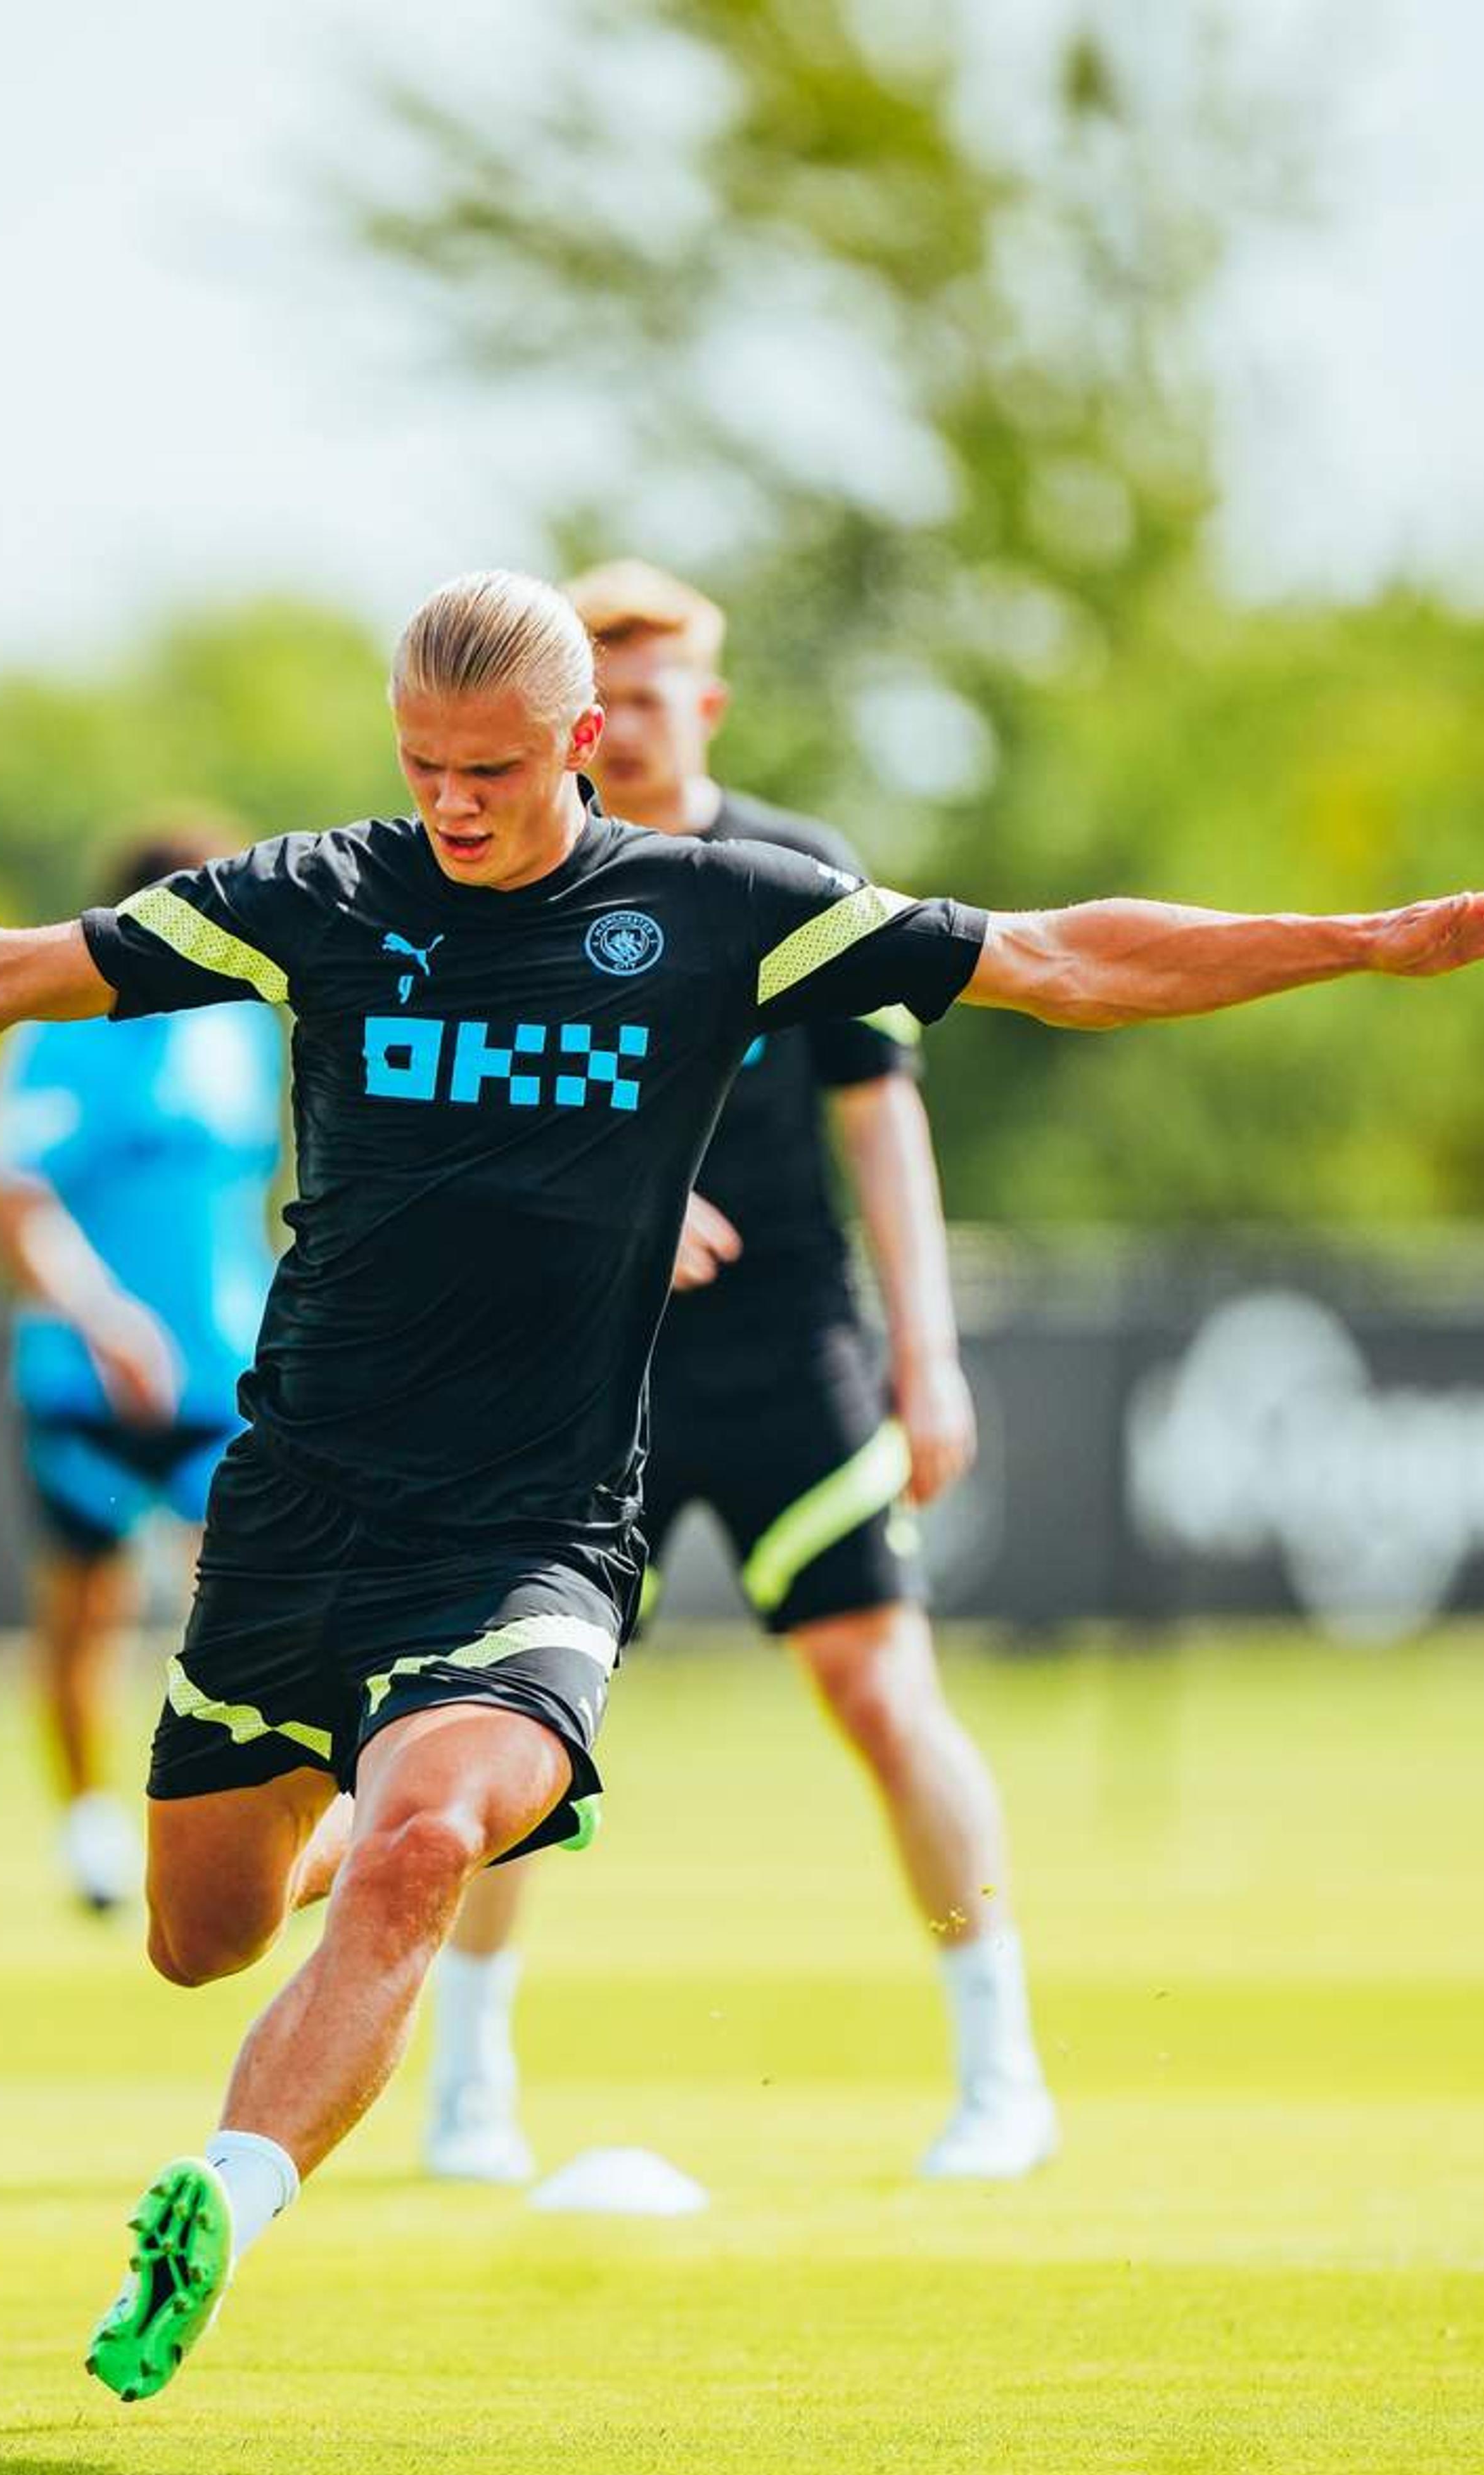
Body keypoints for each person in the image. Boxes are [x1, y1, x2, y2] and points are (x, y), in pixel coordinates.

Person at [0, 568, 1484, 2405]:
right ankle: (298, 1954)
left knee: (429, 1832)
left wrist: (1359, 940)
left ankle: (222, 2198)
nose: (454, 806)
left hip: (538, 1524)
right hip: (297, 1505)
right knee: (205, 1931)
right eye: (424, 763)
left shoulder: (732, 908)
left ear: (587, 744)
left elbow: (1063, 957)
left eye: (496, 767)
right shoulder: (319, 897)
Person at [423, 560, 1046, 2186]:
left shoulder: (796, 870)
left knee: (881, 1694)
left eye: (648, 697)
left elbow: (877, 1107)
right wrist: (608, 1192)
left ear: (701, 704)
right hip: (581, 1380)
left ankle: (1002, 2074)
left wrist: (931, 1355)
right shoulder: (501, 879)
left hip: (787, 1363)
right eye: (595, 700)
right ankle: (466, 2089)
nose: (618, 727)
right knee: (511, 1739)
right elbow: (441, 1118)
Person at [0, 821, 284, 1910]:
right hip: (86, 1380)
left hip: (221, 1377)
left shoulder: (245, 1030)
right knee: (87, 1615)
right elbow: (11, 1201)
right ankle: (87, 1828)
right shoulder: (63, 1029)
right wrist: (104, 1317)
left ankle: (230, 1825)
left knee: (254, 1604)